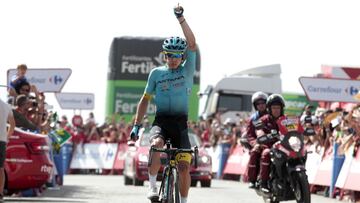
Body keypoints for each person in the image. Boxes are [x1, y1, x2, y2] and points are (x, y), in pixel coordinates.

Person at [130, 4, 196, 203]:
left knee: (184, 167)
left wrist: (181, 19)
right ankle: (151, 186)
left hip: (181, 124)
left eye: (177, 56)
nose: (173, 59)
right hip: (161, 122)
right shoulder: (156, 74)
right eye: (169, 55)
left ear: (181, 57)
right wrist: (136, 125)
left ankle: (183, 201)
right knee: (157, 145)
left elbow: (192, 44)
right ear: (164, 55)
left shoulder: (187, 71)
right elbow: (144, 100)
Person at [256, 94, 286, 193]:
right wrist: (262, 136)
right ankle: (263, 182)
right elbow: (259, 130)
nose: (276, 110)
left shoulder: (287, 120)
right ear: (269, 109)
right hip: (270, 147)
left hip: (285, 147)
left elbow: (296, 130)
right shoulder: (263, 120)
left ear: (282, 109)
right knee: (266, 153)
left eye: (278, 107)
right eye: (274, 108)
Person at [245, 91, 268, 189]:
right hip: (259, 143)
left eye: (263, 103)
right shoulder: (253, 118)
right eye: (258, 104)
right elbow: (250, 135)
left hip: (273, 142)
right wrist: (255, 143)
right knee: (254, 153)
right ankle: (252, 179)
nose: (261, 105)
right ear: (255, 105)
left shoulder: (272, 114)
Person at [0, 98, 15, 201]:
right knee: (0, 168)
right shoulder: (6, 106)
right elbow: (12, 124)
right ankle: (0, 193)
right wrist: (7, 137)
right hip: (1, 140)